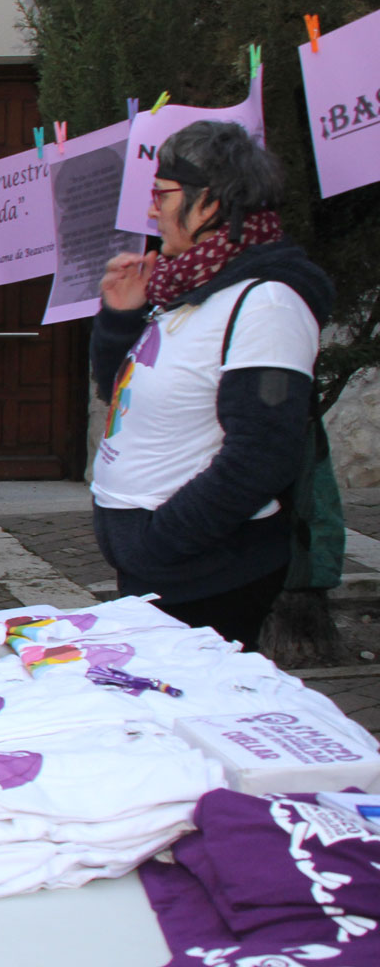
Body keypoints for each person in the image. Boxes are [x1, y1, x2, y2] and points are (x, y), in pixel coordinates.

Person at [91, 120, 330, 648]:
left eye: (162, 194)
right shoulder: (191, 288)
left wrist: (161, 541)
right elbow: (122, 399)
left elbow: (263, 455)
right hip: (164, 571)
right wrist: (121, 318)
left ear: (210, 205)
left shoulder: (265, 303)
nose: (151, 210)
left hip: (208, 574)